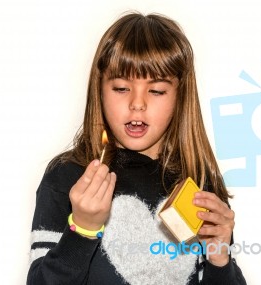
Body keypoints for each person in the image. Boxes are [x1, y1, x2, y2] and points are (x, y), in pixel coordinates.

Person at [27, 12, 247, 285]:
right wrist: (82, 229)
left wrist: (219, 259)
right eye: (121, 88)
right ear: (100, 90)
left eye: (156, 91)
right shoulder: (69, 179)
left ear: (180, 97)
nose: (137, 104)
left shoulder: (201, 188)